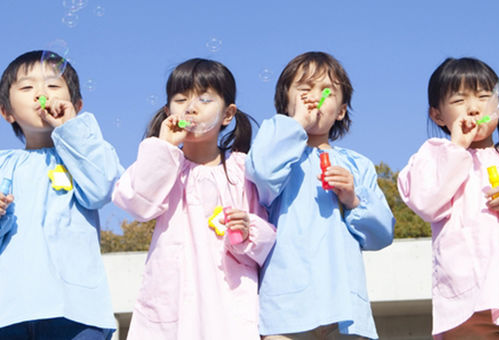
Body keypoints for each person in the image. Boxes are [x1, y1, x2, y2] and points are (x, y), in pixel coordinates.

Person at [112, 58, 276, 340]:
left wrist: (249, 228)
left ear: (228, 114)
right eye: (180, 98)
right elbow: (137, 203)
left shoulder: (242, 169)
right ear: (167, 112)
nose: (191, 107)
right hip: (172, 301)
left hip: (227, 299)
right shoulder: (162, 161)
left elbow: (268, 237)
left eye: (205, 98)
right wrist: (164, 147)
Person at [246, 51, 395, 339]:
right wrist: (294, 126)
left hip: (345, 309)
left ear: (341, 111)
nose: (314, 98)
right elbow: (262, 174)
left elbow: (382, 233)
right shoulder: (274, 142)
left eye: (326, 91)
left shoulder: (357, 165)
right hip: (285, 307)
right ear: (285, 104)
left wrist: (352, 200)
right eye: (303, 90)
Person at [0, 50, 123, 339]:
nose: (41, 93)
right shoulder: (3, 164)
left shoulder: (87, 151)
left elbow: (100, 188)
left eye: (53, 85)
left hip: (77, 311)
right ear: (6, 112)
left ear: (76, 105)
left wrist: (71, 129)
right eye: (27, 87)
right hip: (10, 310)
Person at [398, 57, 499, 339]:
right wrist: (457, 147)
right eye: (460, 100)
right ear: (437, 115)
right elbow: (427, 202)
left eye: (484, 96)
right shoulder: (433, 156)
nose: (474, 107)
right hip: (468, 305)